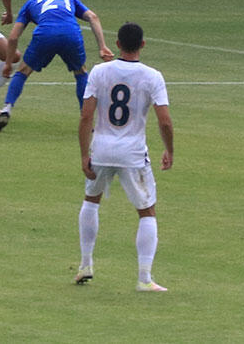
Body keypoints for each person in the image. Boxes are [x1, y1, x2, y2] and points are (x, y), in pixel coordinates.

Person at [74, 22, 174, 292]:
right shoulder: (152, 76)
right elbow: (164, 121)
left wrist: (84, 154)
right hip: (133, 153)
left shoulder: (99, 72)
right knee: (147, 211)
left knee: (91, 200)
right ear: (143, 44)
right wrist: (170, 150)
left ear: (117, 44)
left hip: (101, 149)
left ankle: (85, 264)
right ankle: (144, 278)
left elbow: (86, 116)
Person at [0, 0, 114, 131]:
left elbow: (13, 37)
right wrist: (102, 46)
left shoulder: (31, 2)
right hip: (71, 34)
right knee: (81, 73)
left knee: (23, 71)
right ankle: (87, 119)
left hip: (45, 35)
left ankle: (7, 109)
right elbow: (92, 17)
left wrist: (7, 63)